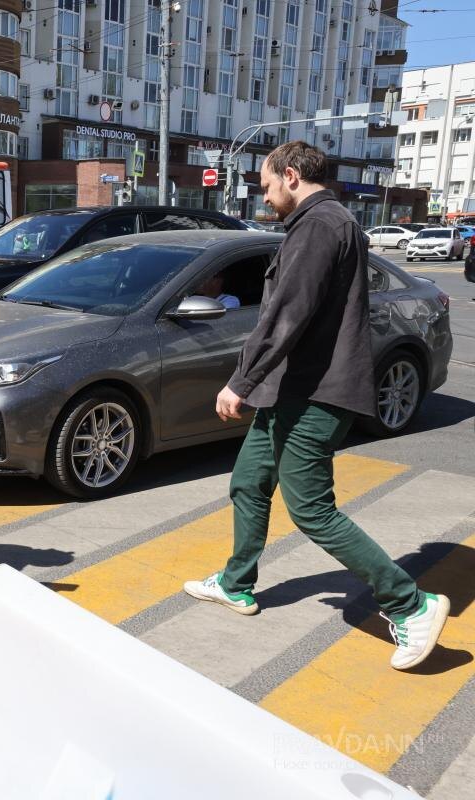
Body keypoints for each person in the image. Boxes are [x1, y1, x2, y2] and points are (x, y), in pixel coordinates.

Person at [183, 141, 449, 671]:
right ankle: (237, 584)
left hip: (316, 393)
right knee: (249, 482)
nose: (266, 196)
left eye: (266, 186)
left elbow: (287, 314)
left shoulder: (319, 226)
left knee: (311, 509)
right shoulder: (330, 222)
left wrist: (239, 381)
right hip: (292, 390)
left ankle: (410, 604)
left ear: (290, 176)